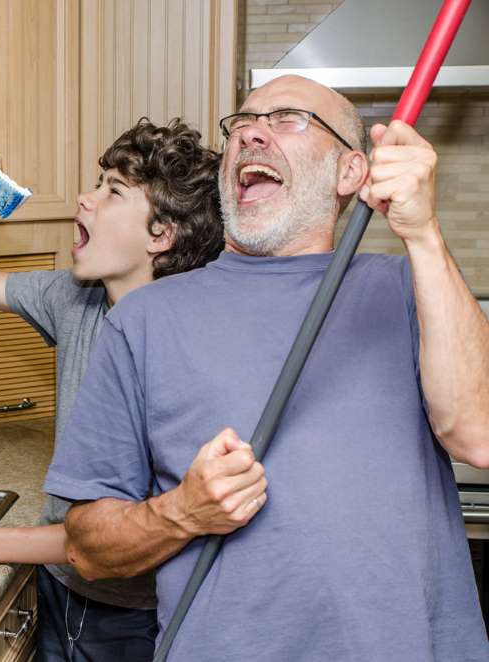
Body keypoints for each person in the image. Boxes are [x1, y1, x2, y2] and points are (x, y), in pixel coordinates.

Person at [45, 74, 489, 660]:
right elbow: (87, 549)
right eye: (243, 124)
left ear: (351, 173)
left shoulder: (410, 289)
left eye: (288, 119)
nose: (252, 133)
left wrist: (424, 233)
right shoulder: (147, 320)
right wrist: (182, 512)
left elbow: (477, 433)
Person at [0, 118, 237, 661]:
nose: (85, 201)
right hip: (61, 588)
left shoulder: (190, 349)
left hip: (142, 615)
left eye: (113, 192)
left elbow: (125, 531)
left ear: (162, 234)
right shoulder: (77, 298)